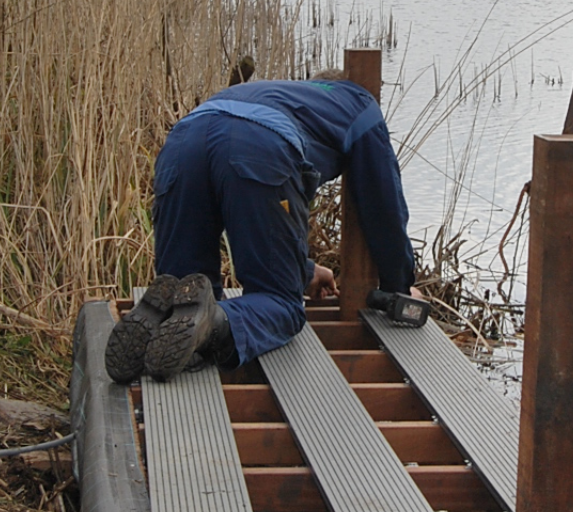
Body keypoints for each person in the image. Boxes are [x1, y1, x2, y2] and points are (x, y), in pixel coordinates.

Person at [104, 71, 417, 384]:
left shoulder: (271, 91)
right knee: (280, 303)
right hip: (258, 145)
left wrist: (304, 271)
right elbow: (383, 204)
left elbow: (248, 214)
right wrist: (398, 288)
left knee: (186, 288)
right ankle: (215, 322)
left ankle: (163, 317)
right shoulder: (360, 102)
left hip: (184, 142)